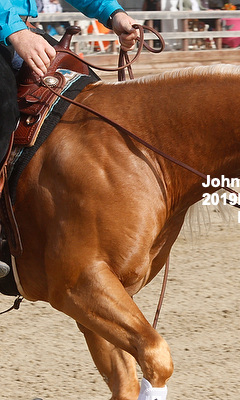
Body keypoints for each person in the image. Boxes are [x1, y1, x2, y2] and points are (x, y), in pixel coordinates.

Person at [0, 0, 138, 278]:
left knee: (95, 101)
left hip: (22, 31)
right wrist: (14, 31)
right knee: (3, 109)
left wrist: (113, 13)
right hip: (13, 31)